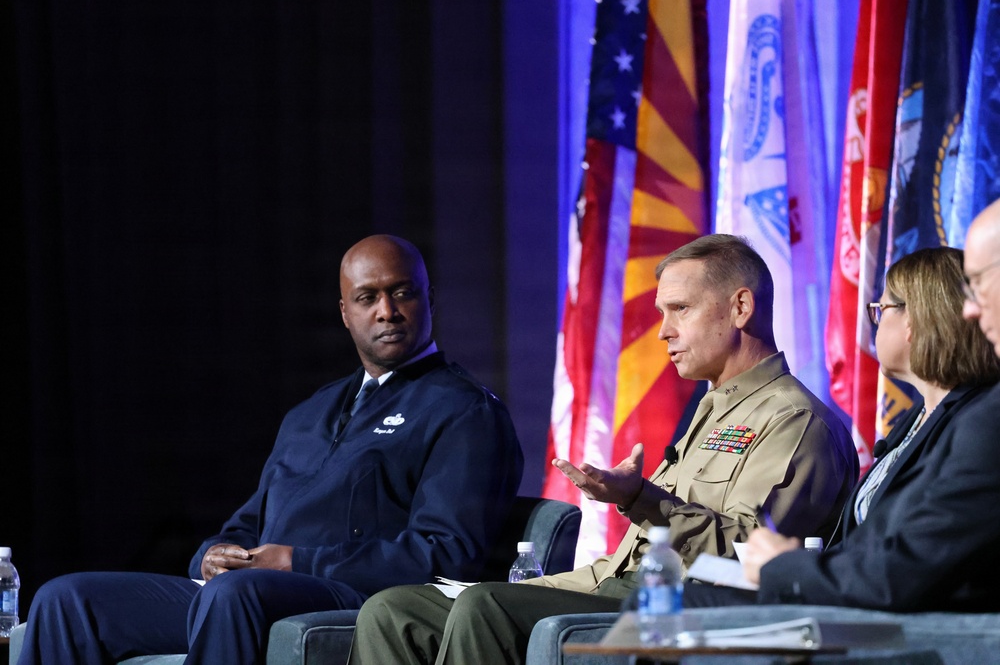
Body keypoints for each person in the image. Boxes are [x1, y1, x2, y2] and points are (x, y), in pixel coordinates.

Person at [347, 233, 858, 665]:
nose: (663, 331)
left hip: (687, 611)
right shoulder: (714, 406)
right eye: (663, 312)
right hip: (621, 590)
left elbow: (750, 560)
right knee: (395, 611)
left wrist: (642, 499)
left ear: (741, 307)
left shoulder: (794, 419)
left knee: (489, 611)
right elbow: (622, 563)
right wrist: (537, 587)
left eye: (680, 309)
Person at [17, 235, 524, 664]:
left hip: (357, 597)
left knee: (236, 594)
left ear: (429, 299)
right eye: (368, 298)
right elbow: (249, 525)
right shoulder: (311, 412)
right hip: (239, 590)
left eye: (402, 293)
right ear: (345, 313)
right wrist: (211, 557)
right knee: (67, 599)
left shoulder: (464, 411)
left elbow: (446, 555)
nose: (387, 311)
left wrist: (299, 563)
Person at [716, 243, 1000, 611]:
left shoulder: (979, 423)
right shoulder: (912, 422)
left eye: (880, 310)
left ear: (915, 320)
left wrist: (786, 566)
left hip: (911, 624)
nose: (873, 324)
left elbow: (908, 565)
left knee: (679, 605)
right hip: (855, 598)